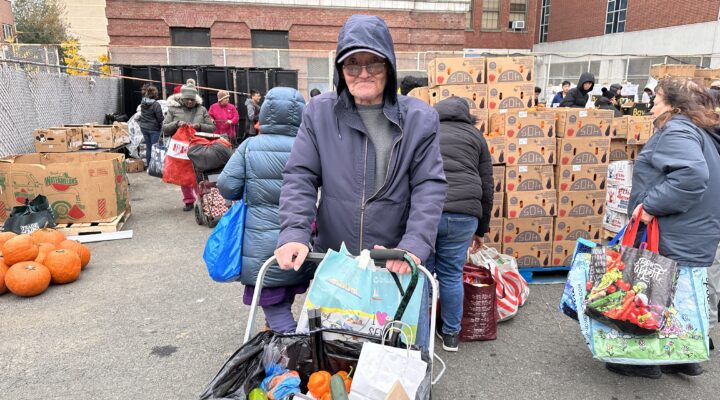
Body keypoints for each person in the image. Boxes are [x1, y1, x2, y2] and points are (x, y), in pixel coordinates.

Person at [274, 14, 447, 345]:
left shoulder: (419, 119)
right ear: (341, 70)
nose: (363, 73)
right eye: (352, 64)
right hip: (336, 261)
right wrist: (294, 232)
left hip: (392, 262)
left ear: (389, 66)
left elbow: (429, 186)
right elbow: (301, 175)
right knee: (334, 351)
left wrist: (413, 246)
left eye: (373, 63)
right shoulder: (319, 113)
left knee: (396, 348)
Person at [609, 78, 720, 379]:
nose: (652, 105)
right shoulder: (702, 132)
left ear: (673, 105)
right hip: (695, 232)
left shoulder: (678, 129)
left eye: (657, 99)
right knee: (681, 296)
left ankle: (642, 361)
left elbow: (692, 176)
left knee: (651, 292)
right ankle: (682, 356)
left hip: (674, 230)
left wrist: (650, 206)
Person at [217, 87, 310, 333]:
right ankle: (277, 336)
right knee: (284, 288)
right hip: (301, 236)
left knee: (272, 299)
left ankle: (291, 352)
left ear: (266, 112)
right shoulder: (309, 147)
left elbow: (227, 186)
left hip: (259, 238)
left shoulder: (249, 147)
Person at [428, 96, 493, 352]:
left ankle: (420, 331)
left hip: (428, 211)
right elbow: (487, 185)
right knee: (451, 275)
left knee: (424, 275)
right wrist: (481, 229)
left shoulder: (427, 129)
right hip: (464, 215)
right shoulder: (476, 137)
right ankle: (451, 334)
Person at [162, 79, 215, 211]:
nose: (190, 102)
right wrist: (176, 124)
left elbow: (212, 127)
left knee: (200, 174)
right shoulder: (173, 109)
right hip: (181, 149)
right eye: (187, 100)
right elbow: (165, 128)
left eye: (192, 100)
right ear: (182, 98)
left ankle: (202, 199)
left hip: (199, 147)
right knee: (183, 174)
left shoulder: (202, 109)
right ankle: (188, 200)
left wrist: (200, 126)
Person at [137, 85, 164, 168]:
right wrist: (163, 118)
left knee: (149, 147)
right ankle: (155, 167)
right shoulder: (156, 105)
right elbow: (159, 118)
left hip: (144, 127)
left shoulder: (143, 102)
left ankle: (149, 166)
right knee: (155, 147)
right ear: (155, 94)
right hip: (154, 129)